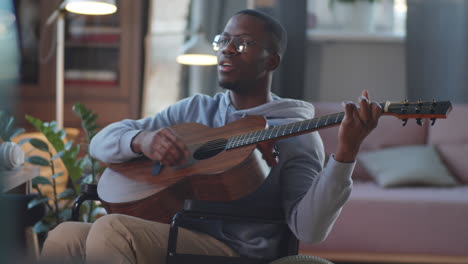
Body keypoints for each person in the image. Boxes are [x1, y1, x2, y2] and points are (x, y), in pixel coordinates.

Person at [40, 9, 381, 264]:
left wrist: (345, 155)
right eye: (224, 40)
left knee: (111, 230)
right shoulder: (195, 110)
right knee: (63, 236)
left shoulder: (296, 133)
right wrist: (142, 141)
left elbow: (309, 230)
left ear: (272, 60)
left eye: (243, 43)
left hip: (236, 250)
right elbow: (102, 142)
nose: (228, 50)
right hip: (171, 227)